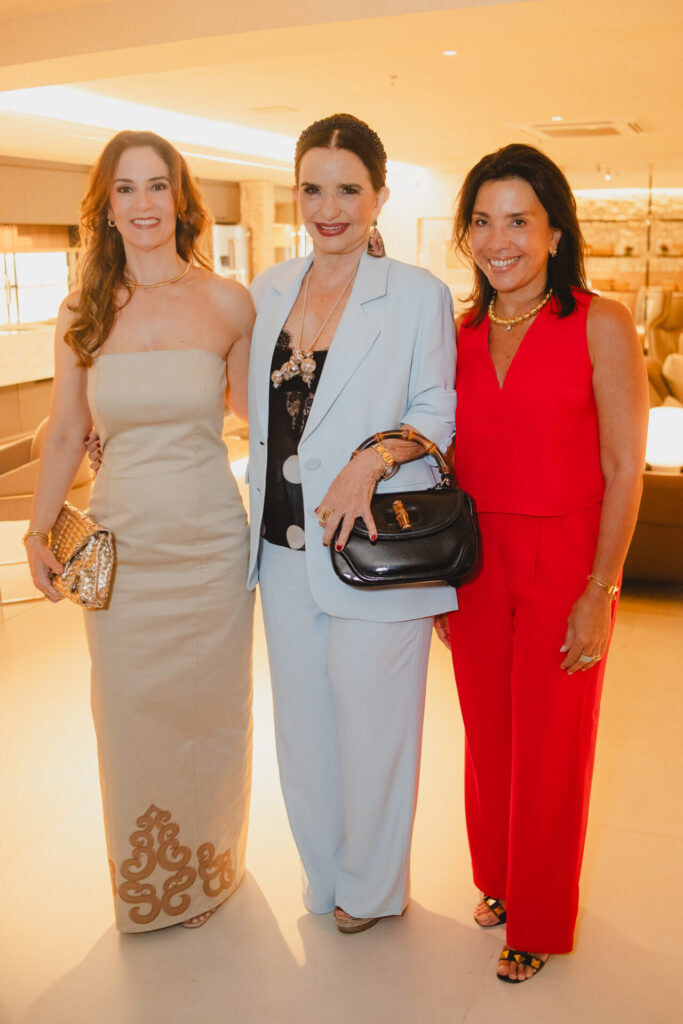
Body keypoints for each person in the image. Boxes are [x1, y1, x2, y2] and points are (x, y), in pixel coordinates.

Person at [24, 130, 255, 933]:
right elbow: (64, 433)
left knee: (211, 714)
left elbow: (258, 419)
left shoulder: (228, 302)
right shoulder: (81, 311)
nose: (144, 203)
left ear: (181, 201)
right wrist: (37, 533)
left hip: (210, 544)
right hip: (119, 546)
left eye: (158, 186)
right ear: (107, 207)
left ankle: (209, 872)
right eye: (126, 188)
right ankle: (151, 884)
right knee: (127, 716)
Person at [434, 143, 648, 980]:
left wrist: (601, 588)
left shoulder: (600, 322)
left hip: (566, 560)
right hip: (475, 561)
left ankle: (540, 916)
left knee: (552, 746)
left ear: (555, 232)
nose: (499, 241)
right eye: (483, 222)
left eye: (518, 221)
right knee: (487, 735)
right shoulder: (456, 334)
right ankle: (498, 878)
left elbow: (624, 467)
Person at [247, 113, 457, 933]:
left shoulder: (415, 295)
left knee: (375, 733)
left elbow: (436, 409)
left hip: (372, 546)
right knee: (303, 734)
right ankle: (324, 876)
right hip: (282, 548)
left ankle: (371, 890)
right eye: (311, 189)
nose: (327, 209)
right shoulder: (267, 290)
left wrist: (370, 459)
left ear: (379, 196)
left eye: (347, 190)